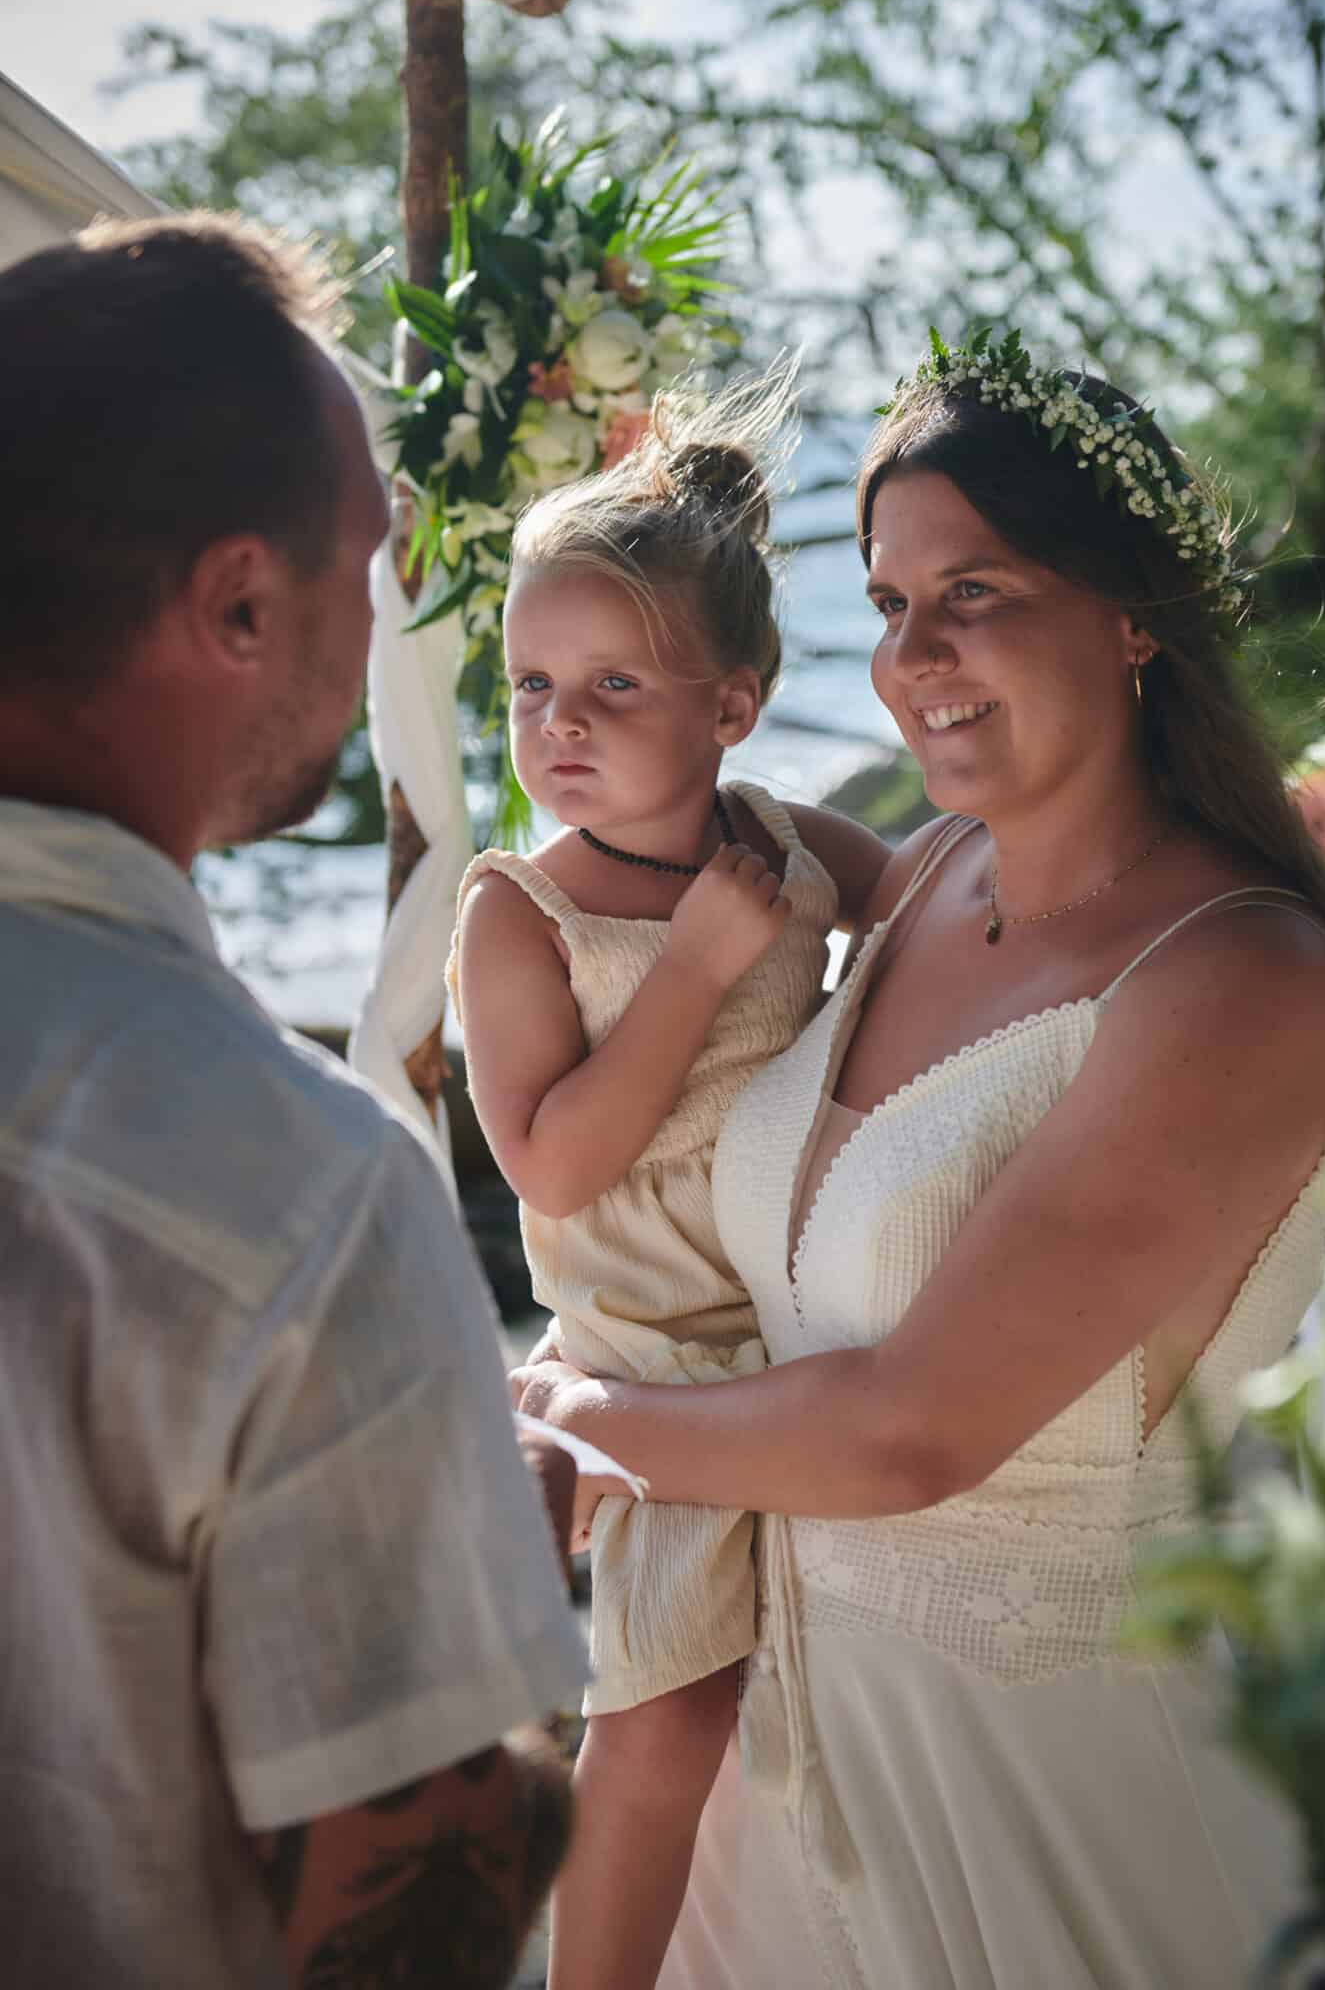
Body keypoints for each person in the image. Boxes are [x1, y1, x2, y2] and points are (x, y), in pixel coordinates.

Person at [514, 332, 1325, 1990]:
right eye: (886, 605)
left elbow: (910, 1431)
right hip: (770, 1748)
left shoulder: (1235, 978)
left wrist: (592, 1425)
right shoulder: (918, 875)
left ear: (1132, 612)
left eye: (978, 592)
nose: (915, 655)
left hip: (1050, 1786)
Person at [0, 215, 588, 1990]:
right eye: (375, 568)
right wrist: (481, 1557)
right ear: (244, 602)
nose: (376, 624)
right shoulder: (299, 1199)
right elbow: (406, 1926)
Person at [447, 393, 888, 1990]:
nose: (560, 722)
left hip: (818, 1308)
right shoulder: (522, 919)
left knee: (834, 1681)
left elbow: (939, 907)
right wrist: (698, 971)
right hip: (652, 1352)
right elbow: (552, 1162)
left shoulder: (785, 842)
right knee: (666, 1712)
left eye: (614, 687)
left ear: (737, 705)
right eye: (531, 688)